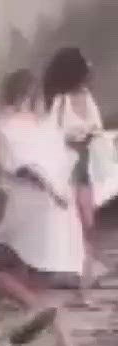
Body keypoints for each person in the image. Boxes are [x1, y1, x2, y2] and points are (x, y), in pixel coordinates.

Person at [0, 68, 84, 346]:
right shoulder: (48, 127)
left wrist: (47, 187)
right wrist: (60, 193)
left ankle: (32, 308)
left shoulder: (6, 126)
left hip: (29, 203)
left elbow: (23, 167)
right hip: (58, 207)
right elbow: (67, 162)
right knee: (41, 279)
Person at [40, 47, 106, 301]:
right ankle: (73, 273)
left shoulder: (87, 97)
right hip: (66, 167)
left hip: (86, 164)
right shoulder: (60, 101)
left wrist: (89, 137)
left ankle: (83, 272)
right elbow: (51, 134)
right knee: (71, 219)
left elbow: (96, 127)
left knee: (88, 221)